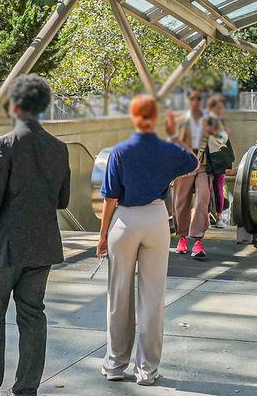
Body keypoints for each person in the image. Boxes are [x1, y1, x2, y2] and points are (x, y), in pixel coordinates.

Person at [0, 75, 71, 396]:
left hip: (1, 250)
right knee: (33, 316)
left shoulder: (2, 146)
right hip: (42, 247)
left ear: (15, 106)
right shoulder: (59, 148)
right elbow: (63, 200)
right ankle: (26, 389)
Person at [98, 95, 199, 387]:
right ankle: (147, 370)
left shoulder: (119, 151)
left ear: (133, 116)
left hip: (124, 220)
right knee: (153, 298)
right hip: (156, 219)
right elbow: (192, 162)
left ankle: (115, 364)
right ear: (156, 118)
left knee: (118, 295)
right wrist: (173, 136)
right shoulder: (167, 150)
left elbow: (110, 197)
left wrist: (102, 236)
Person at [169, 88, 213, 261]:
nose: (196, 101)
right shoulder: (180, 119)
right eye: (193, 98)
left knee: (203, 199)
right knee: (181, 202)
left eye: (199, 98)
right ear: (188, 101)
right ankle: (182, 237)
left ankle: (197, 240)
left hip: (203, 167)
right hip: (184, 166)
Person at [205, 94, 231, 214]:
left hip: (218, 159)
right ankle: (213, 215)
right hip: (210, 159)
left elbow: (224, 140)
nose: (221, 110)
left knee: (217, 187)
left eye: (222, 107)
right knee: (213, 188)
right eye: (219, 107)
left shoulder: (219, 122)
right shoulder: (209, 121)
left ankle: (217, 215)